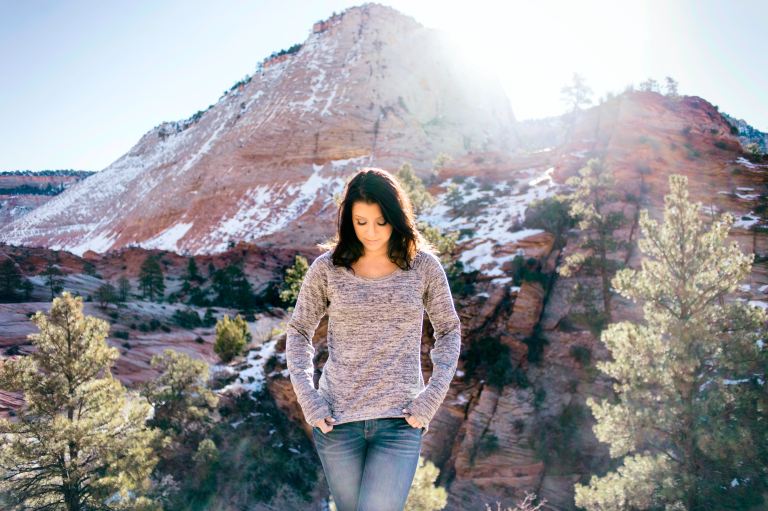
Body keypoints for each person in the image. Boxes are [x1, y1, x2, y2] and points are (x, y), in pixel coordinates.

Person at [285, 167, 462, 511]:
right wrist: (309, 399)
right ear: (348, 220)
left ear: (397, 217)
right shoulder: (327, 269)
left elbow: (449, 330)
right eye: (360, 221)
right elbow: (299, 331)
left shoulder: (423, 268)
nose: (371, 232)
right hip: (337, 423)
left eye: (381, 221)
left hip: (400, 421)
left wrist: (432, 397)